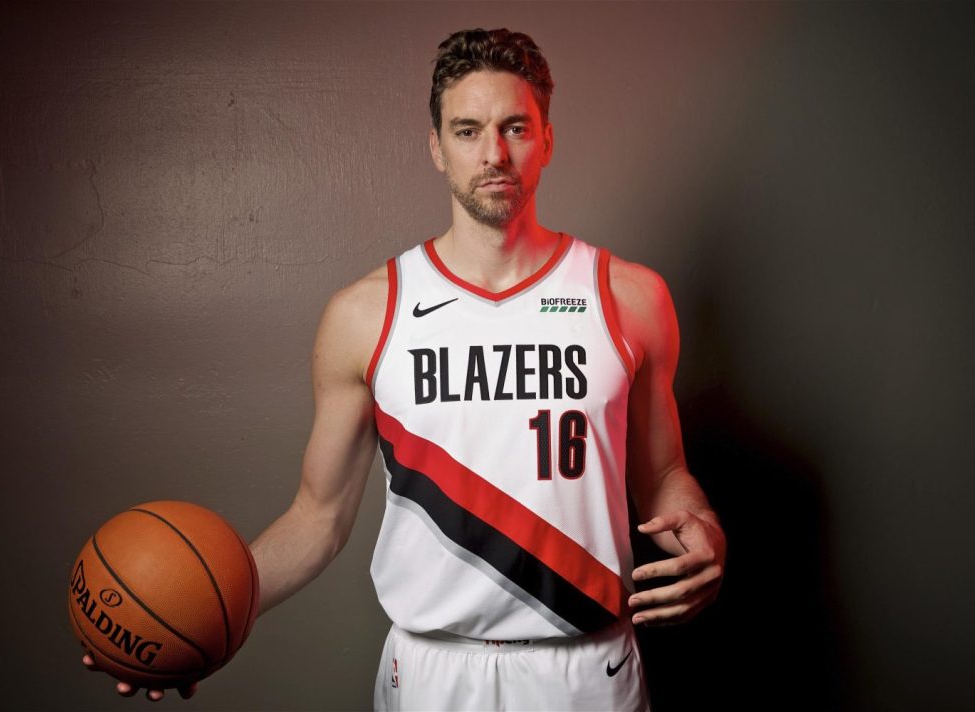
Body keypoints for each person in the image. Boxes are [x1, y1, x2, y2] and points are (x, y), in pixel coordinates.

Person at [84, 27, 726, 710]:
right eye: (467, 131)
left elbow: (663, 475)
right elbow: (318, 518)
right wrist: (203, 621)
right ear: (437, 148)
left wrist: (704, 527)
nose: (493, 153)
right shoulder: (366, 314)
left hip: (588, 669)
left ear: (547, 139)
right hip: (430, 672)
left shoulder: (628, 298)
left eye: (515, 128)